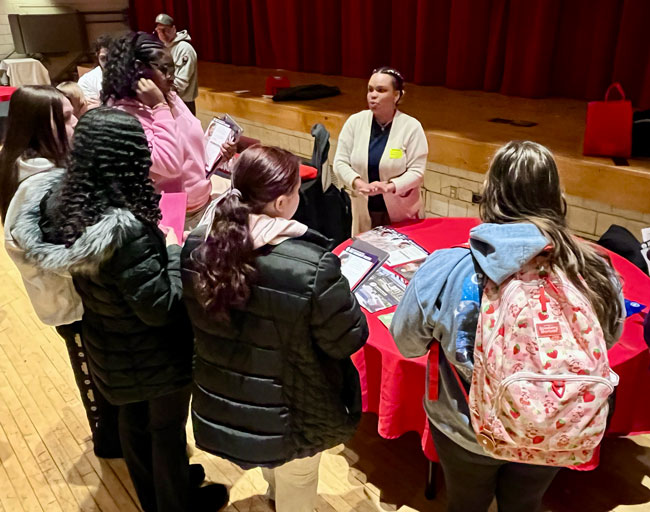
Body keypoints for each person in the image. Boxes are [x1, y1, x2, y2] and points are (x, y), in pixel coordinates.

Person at [390, 141, 625, 512]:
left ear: (490, 195)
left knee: (466, 504)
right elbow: (607, 339)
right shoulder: (595, 271)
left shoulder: (448, 268)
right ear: (556, 197)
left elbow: (406, 342)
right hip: (555, 422)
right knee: (526, 502)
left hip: (465, 427)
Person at [16, 107, 227, 512]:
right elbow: (161, 306)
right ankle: (176, 503)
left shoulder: (66, 203)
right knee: (164, 430)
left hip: (108, 342)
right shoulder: (125, 231)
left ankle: (156, 495)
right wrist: (173, 250)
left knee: (133, 423)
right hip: (153, 353)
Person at [181, 145, 368, 512]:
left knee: (271, 461)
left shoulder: (196, 246)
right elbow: (347, 338)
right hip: (293, 407)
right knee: (297, 479)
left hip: (225, 395)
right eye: (297, 191)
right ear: (282, 202)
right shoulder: (311, 266)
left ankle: (271, 493)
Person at [0, 85, 122, 459]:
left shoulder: (34, 166)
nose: (76, 123)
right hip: (75, 301)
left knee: (103, 374)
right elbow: (55, 254)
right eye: (66, 118)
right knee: (96, 377)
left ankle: (114, 437)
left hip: (78, 296)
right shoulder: (39, 184)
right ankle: (109, 442)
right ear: (41, 126)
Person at [102, 32, 235, 230]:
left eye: (172, 69)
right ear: (138, 70)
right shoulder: (125, 115)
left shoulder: (169, 96)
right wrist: (159, 106)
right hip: (172, 218)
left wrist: (217, 154)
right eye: (163, 69)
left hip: (202, 203)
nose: (171, 76)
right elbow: (169, 165)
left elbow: (188, 145)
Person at [334, 66, 428, 235]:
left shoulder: (412, 127)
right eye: (370, 90)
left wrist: (390, 187)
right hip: (364, 211)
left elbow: (417, 171)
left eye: (381, 90)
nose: (373, 95)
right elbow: (340, 162)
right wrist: (358, 183)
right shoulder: (355, 122)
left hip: (402, 212)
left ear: (396, 95)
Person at [154, 13, 198, 115]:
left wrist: (163, 94)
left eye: (166, 30)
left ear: (174, 29)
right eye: (159, 30)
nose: (163, 34)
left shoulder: (184, 48)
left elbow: (181, 82)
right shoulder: (162, 46)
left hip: (182, 102)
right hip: (169, 99)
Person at [78, 34, 111, 108]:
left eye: (111, 57)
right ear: (97, 56)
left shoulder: (128, 75)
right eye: (103, 58)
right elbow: (92, 109)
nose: (107, 62)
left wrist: (102, 104)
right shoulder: (87, 80)